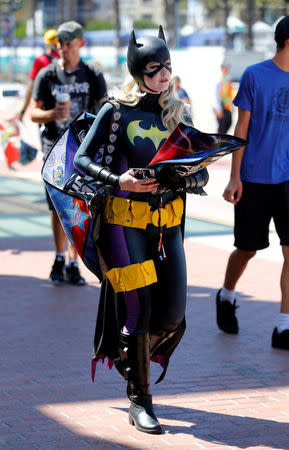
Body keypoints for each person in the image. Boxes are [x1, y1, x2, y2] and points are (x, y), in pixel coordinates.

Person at [73, 27, 209, 434]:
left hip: (168, 227)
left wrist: (191, 176)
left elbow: (196, 173)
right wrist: (120, 182)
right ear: (137, 71)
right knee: (141, 309)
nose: (164, 74)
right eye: (155, 67)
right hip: (123, 223)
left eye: (168, 66)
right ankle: (140, 399)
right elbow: (81, 160)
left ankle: (128, 354)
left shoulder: (179, 112)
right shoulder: (116, 111)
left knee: (173, 313)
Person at [215, 15, 289, 350]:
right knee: (247, 249)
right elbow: (241, 129)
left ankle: (284, 327)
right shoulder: (255, 75)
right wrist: (234, 177)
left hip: (288, 180)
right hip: (255, 178)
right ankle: (227, 295)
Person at [30, 21, 108, 285]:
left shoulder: (92, 74)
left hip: (83, 153)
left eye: (67, 42)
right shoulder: (47, 75)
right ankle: (59, 256)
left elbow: (105, 110)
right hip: (54, 150)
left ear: (80, 44)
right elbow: (34, 112)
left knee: (80, 206)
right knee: (57, 208)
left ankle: (75, 262)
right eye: (59, 43)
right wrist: (52, 114)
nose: (61, 47)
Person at [19, 29, 59, 121]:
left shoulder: (40, 61)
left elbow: (31, 87)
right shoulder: (65, 59)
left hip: (45, 110)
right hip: (64, 107)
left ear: (45, 43)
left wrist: (23, 110)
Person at [214, 63, 235, 134]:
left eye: (227, 67)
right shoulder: (219, 80)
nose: (226, 69)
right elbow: (216, 96)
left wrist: (232, 106)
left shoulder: (228, 79)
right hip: (221, 107)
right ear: (222, 69)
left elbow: (230, 94)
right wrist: (219, 109)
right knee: (222, 129)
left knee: (229, 123)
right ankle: (218, 143)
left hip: (227, 107)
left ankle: (221, 140)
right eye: (225, 67)